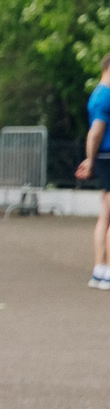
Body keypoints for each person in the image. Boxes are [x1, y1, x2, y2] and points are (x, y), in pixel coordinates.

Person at [76, 55, 110, 289]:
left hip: (104, 158)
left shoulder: (99, 94)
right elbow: (95, 132)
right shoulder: (104, 96)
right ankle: (106, 273)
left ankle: (100, 270)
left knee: (105, 216)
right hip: (108, 156)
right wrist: (89, 160)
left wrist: (91, 159)